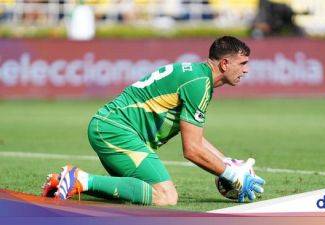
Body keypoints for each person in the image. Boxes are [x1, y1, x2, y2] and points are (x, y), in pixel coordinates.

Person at [42, 36, 265, 205]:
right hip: (116, 130)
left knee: (138, 193)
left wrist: (227, 162)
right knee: (166, 196)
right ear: (225, 63)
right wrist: (230, 175)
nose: (247, 70)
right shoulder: (198, 83)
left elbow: (197, 139)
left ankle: (65, 183)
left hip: (110, 127)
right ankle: (79, 178)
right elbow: (192, 149)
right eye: (243, 63)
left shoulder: (197, 76)